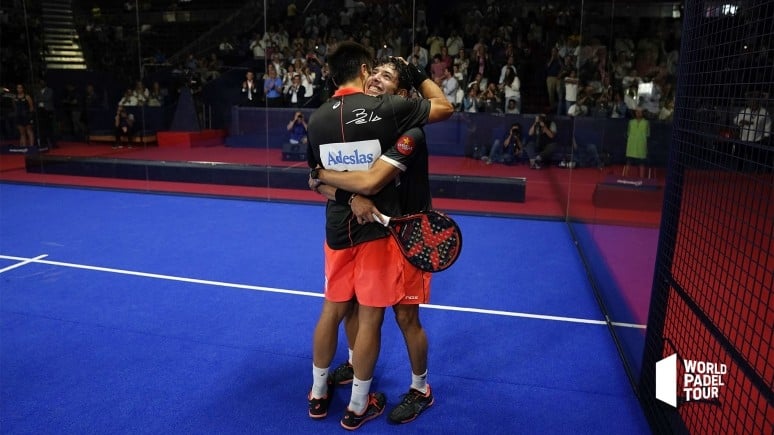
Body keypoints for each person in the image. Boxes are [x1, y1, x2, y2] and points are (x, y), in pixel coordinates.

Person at [305, 43, 453, 430]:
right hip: (376, 232)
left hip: (409, 233)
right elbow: (347, 179)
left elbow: (370, 181)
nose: (375, 79)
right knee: (357, 308)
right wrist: (344, 194)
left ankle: (420, 388)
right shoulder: (375, 120)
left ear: (403, 94)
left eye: (386, 76)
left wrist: (322, 176)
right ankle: (357, 365)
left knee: (405, 316)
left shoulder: (408, 130)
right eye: (374, 73)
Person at [623, 107, 649, 178]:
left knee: (641, 163)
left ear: (642, 113)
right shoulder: (631, 122)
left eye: (640, 112)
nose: (638, 113)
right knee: (628, 162)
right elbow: (628, 133)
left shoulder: (646, 123)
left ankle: (642, 179)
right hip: (631, 146)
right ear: (635, 113)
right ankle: (625, 178)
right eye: (637, 112)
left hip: (641, 146)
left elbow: (647, 134)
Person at [14, 83, 35, 148]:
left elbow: (31, 107)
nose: (19, 89)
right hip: (19, 116)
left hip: (26, 116)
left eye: (20, 88)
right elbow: (15, 107)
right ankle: (23, 147)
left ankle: (31, 147)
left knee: (29, 131)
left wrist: (30, 116)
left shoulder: (27, 96)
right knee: (22, 133)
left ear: (23, 89)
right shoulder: (14, 97)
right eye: (18, 88)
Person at [37, 79, 56, 149]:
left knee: (50, 127)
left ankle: (53, 143)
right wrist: (41, 99)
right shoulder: (38, 91)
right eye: (40, 83)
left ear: (45, 83)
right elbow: (36, 99)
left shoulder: (50, 90)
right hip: (40, 110)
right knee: (42, 127)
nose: (41, 84)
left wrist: (40, 98)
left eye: (43, 82)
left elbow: (47, 98)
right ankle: (44, 143)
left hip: (48, 110)